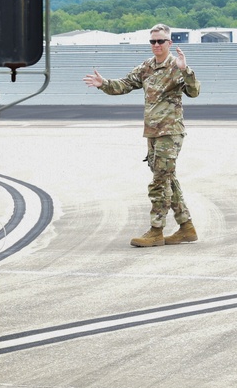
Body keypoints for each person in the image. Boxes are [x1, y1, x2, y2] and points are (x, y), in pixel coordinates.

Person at [83, 24, 202, 248]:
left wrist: (186, 70)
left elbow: (194, 92)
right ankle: (186, 228)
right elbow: (126, 84)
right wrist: (104, 84)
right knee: (167, 178)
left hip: (170, 132)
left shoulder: (176, 66)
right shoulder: (147, 67)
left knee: (159, 182)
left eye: (161, 41)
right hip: (153, 133)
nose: (156, 45)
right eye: (153, 41)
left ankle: (156, 231)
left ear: (170, 43)